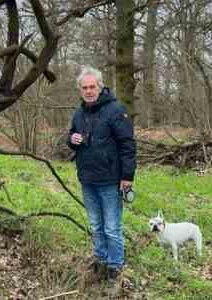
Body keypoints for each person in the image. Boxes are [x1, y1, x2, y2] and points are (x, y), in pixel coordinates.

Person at [67, 66, 137, 286]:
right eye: (84, 87)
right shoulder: (79, 113)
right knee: (95, 225)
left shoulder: (115, 110)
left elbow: (128, 144)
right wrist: (72, 139)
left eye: (92, 86)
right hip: (87, 178)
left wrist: (127, 177)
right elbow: (71, 136)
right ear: (80, 90)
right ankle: (101, 260)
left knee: (111, 227)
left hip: (110, 180)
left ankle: (116, 267)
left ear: (100, 86)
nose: (89, 91)